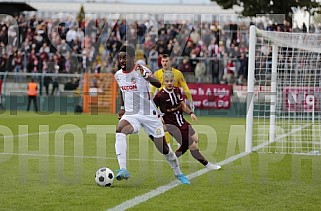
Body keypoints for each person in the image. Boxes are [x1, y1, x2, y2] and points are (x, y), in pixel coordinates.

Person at [114, 45, 190, 184]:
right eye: (120, 58)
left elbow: (157, 82)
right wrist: (123, 107)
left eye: (124, 57)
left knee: (164, 149)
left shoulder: (140, 70)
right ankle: (123, 169)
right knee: (120, 130)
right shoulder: (118, 75)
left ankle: (178, 173)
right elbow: (122, 90)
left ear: (132, 58)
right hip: (132, 114)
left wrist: (145, 75)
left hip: (149, 115)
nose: (122, 60)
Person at [153, 71, 221, 171]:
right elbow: (152, 109)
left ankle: (174, 155)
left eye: (171, 81)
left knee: (196, 139)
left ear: (174, 81)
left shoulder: (177, 90)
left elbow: (183, 105)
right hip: (173, 126)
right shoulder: (160, 96)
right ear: (163, 81)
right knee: (192, 145)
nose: (169, 83)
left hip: (182, 121)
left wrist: (191, 113)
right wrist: (159, 118)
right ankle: (208, 165)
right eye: (167, 81)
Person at [151, 54, 194, 148]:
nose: (165, 63)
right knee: (164, 122)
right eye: (163, 61)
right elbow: (152, 89)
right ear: (161, 62)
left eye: (166, 61)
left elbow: (185, 87)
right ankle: (168, 144)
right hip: (162, 102)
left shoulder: (178, 73)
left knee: (177, 121)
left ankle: (180, 140)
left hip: (175, 102)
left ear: (170, 62)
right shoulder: (157, 74)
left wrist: (190, 100)